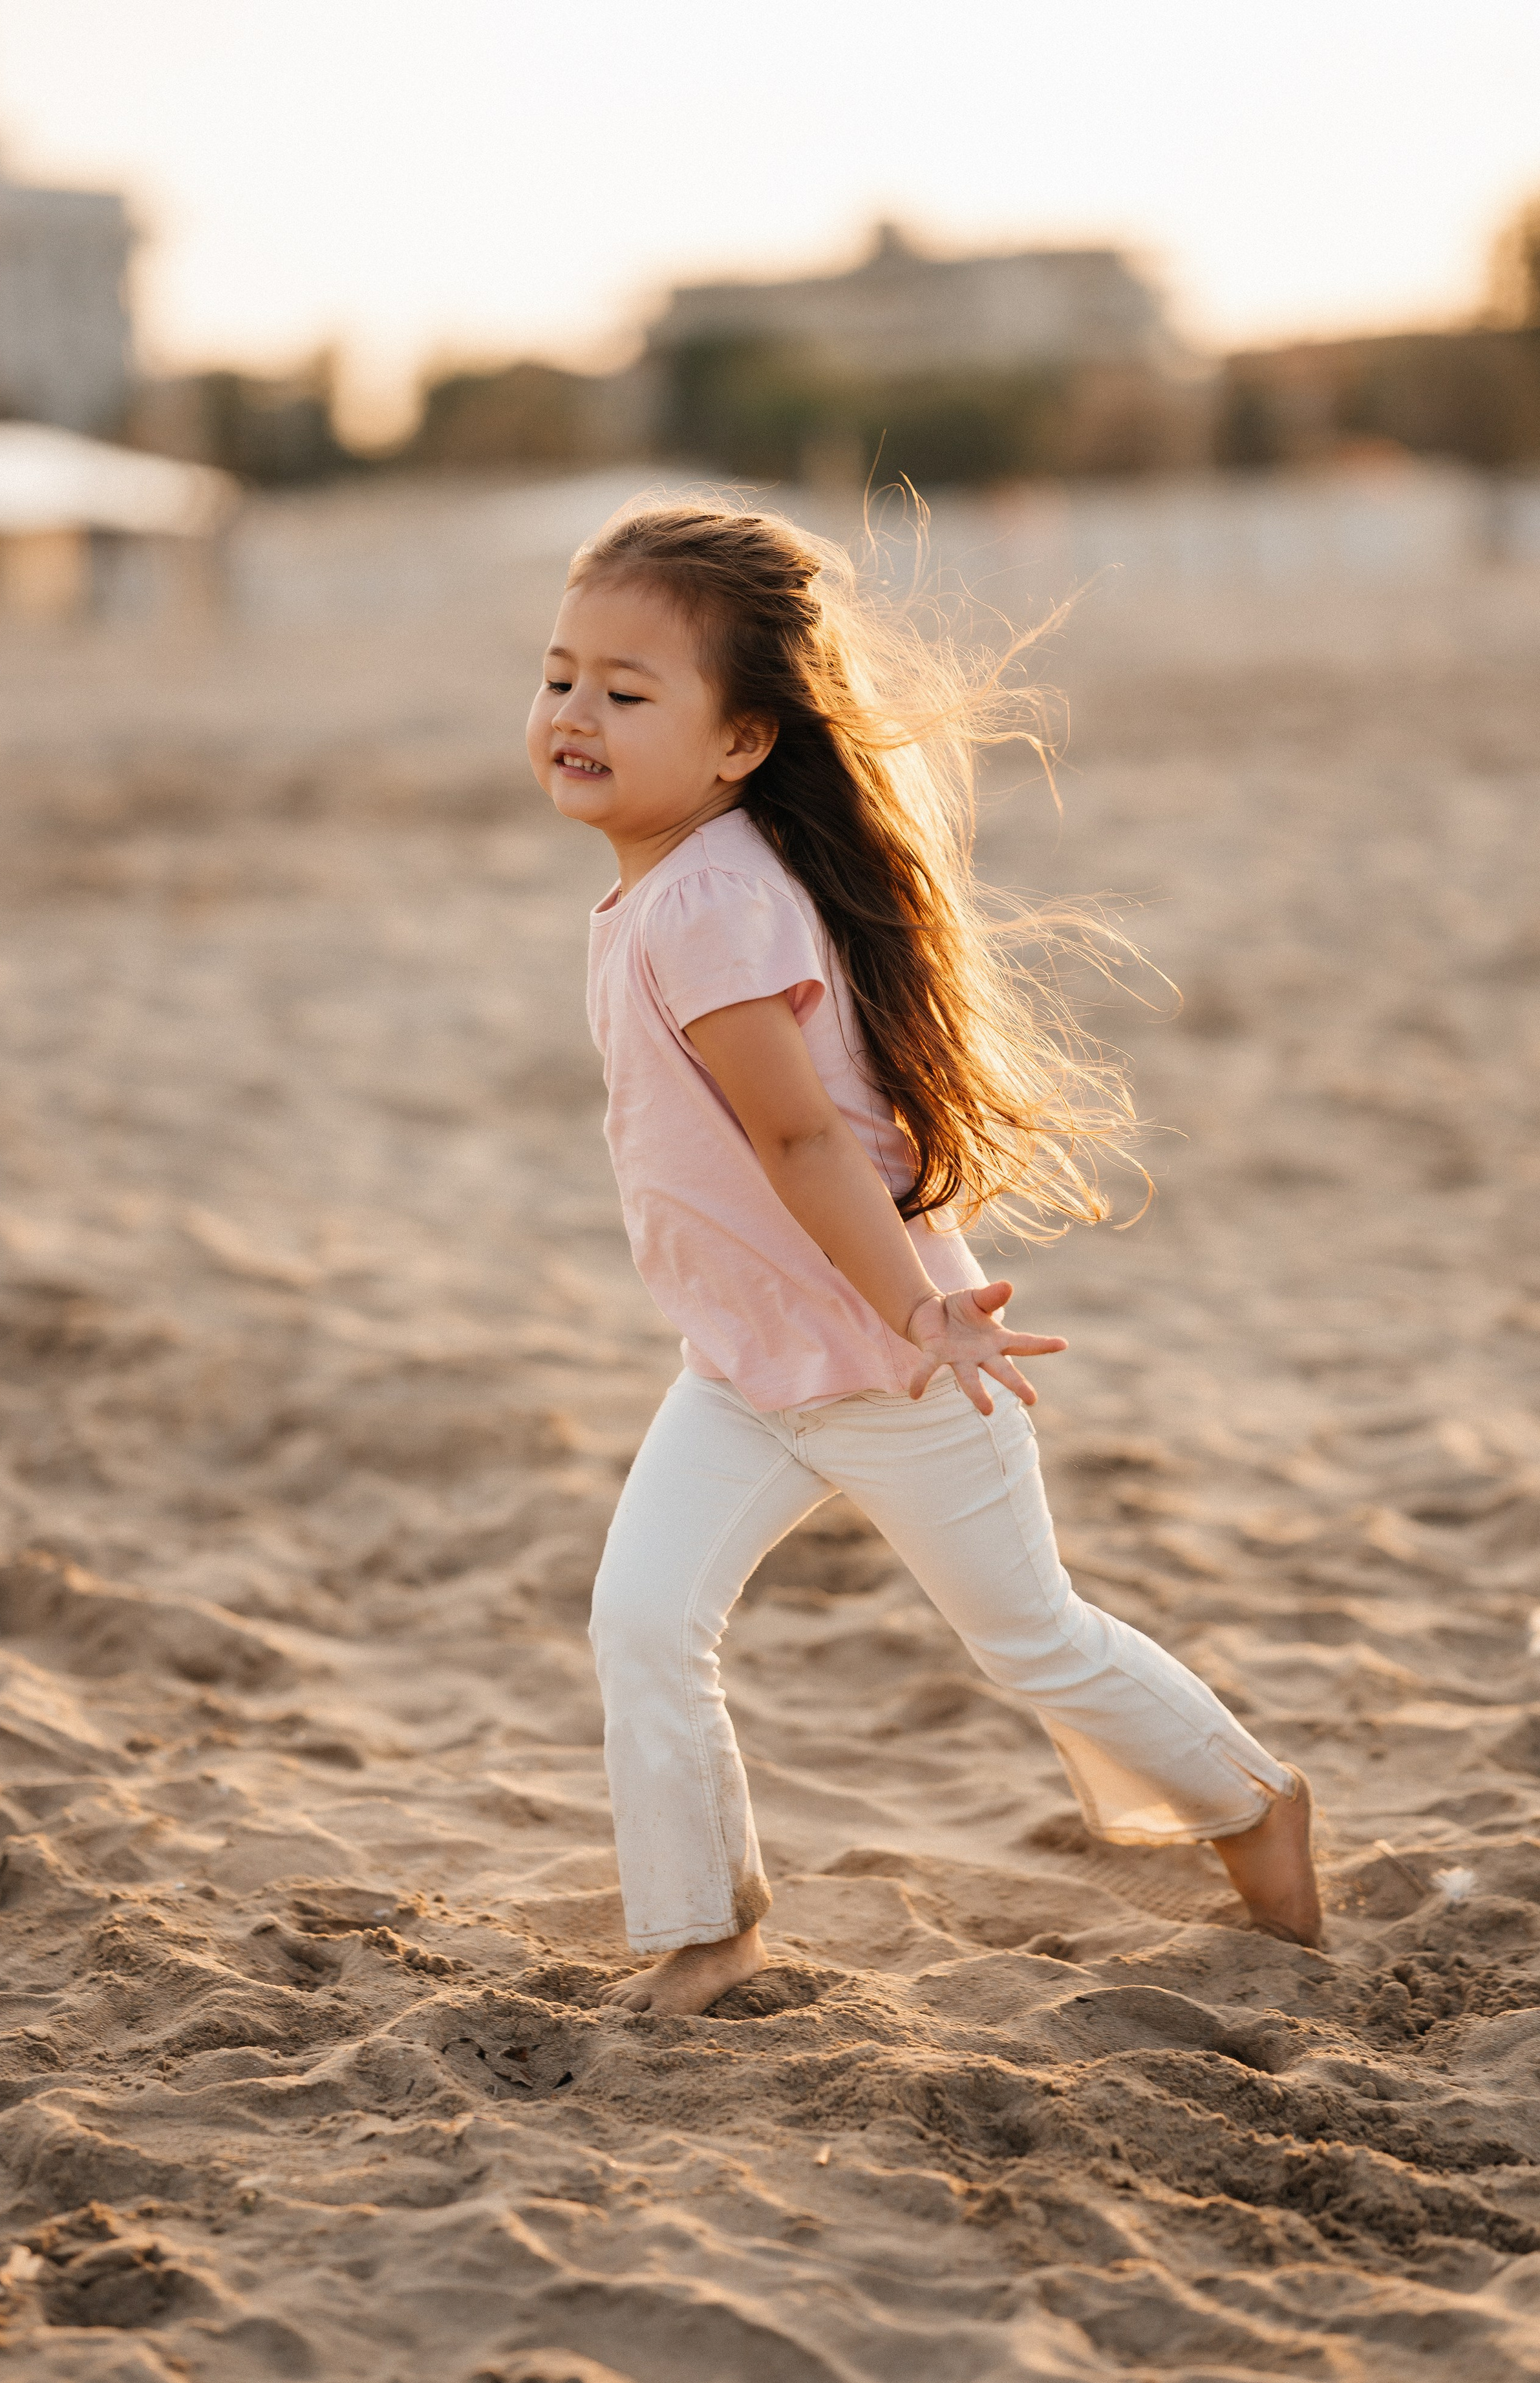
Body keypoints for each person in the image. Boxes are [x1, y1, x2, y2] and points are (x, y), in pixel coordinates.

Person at [526, 500, 1321, 2016]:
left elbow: (801, 1144)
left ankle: (1252, 1803)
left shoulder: (705, 904)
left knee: (1030, 1640)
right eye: (560, 675)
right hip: (747, 1367)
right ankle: (707, 1929)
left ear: (743, 740)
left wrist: (917, 1312)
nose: (573, 713)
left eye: (624, 693)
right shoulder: (684, 878)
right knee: (643, 1620)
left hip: (893, 1358)